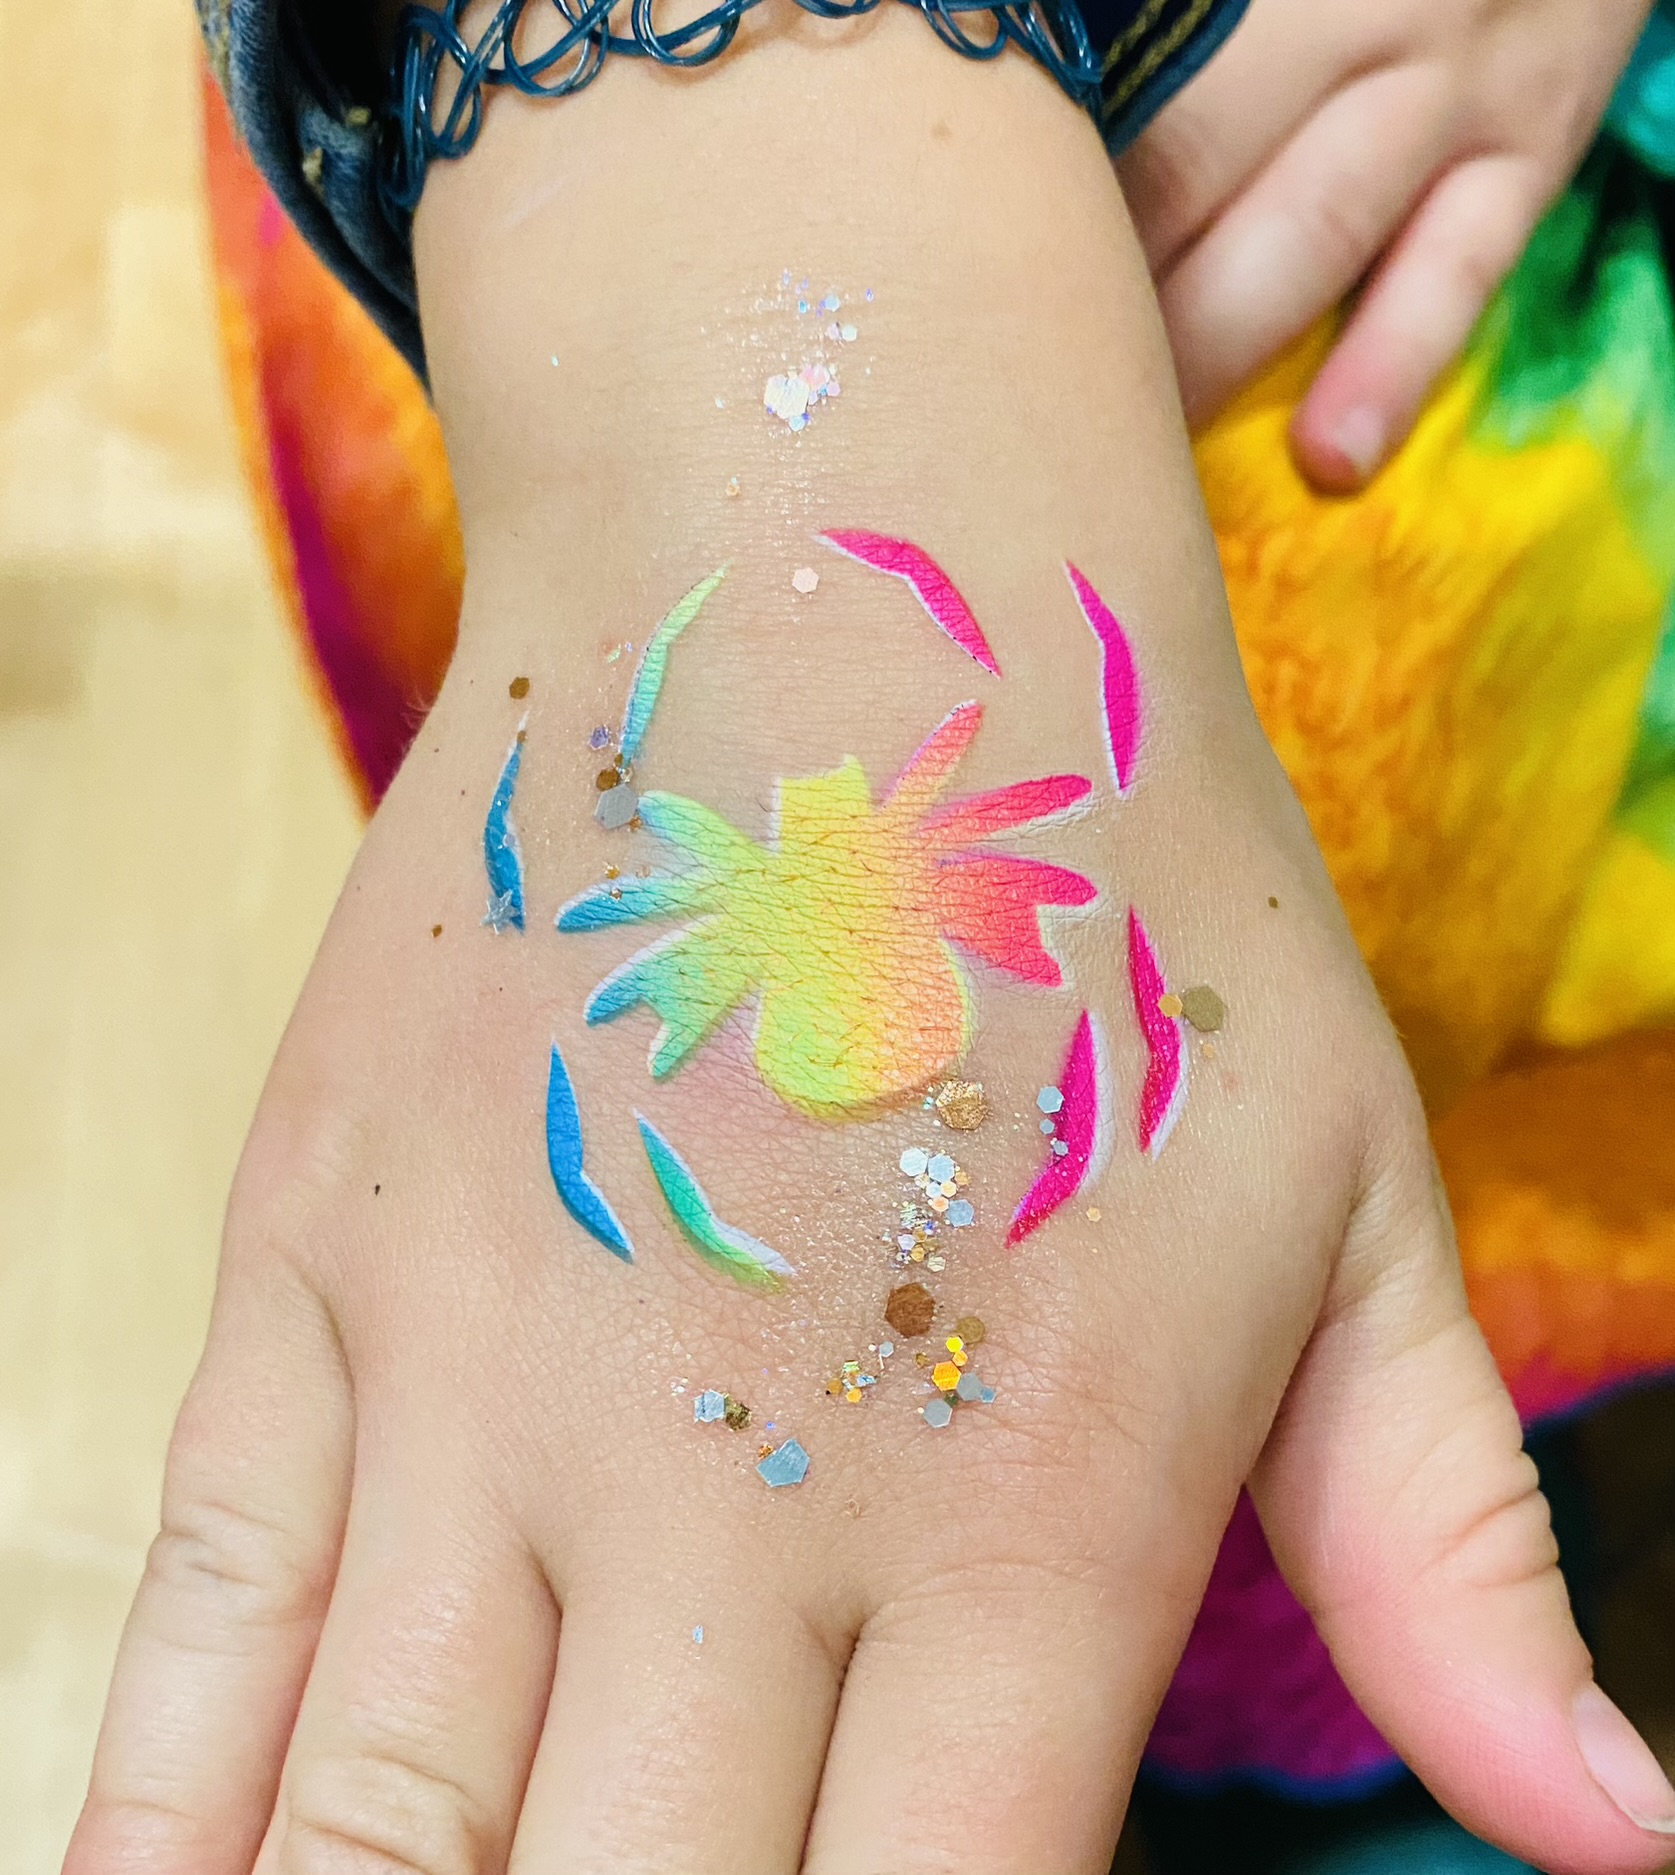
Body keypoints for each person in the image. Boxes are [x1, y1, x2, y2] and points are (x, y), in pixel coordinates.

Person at [66, 2, 1675, 1872]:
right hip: (558, 279)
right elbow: (602, 929)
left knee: (1280, 1316)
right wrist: (710, 151)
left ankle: (1213, 1660)